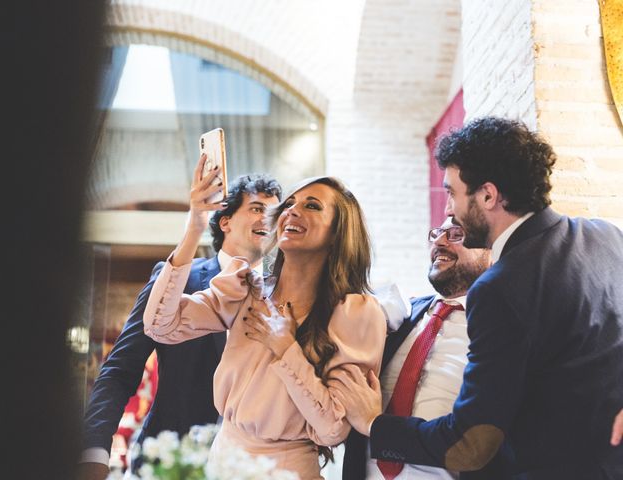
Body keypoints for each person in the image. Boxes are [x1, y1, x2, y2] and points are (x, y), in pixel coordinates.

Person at [329, 116, 623, 479]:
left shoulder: (500, 288)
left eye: (452, 192)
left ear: (487, 195)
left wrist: (375, 424)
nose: (448, 209)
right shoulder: (606, 236)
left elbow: (470, 444)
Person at [142, 174, 388, 479]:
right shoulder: (247, 289)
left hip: (285, 470)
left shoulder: (355, 312)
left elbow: (333, 429)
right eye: (289, 204)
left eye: (312, 206)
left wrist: (286, 348)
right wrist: (194, 228)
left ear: (338, 232)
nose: (291, 211)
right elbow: (159, 325)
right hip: (222, 462)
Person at [76, 161, 282, 480]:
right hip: (170, 460)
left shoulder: (282, 294)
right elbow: (120, 369)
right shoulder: (176, 279)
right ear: (225, 221)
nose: (267, 219)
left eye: (274, 212)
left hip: (251, 466)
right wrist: (93, 450)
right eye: (257, 208)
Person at [342, 217, 509, 480]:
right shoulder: (400, 315)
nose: (440, 242)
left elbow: (475, 442)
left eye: (456, 234)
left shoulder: (503, 331)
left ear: (491, 250)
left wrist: (376, 425)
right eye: (436, 234)